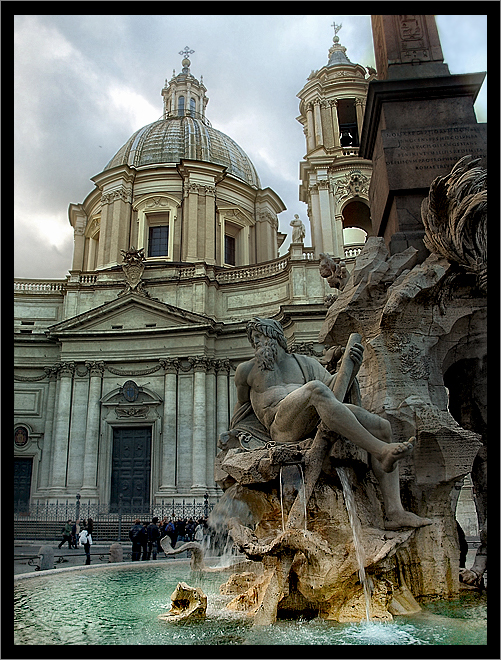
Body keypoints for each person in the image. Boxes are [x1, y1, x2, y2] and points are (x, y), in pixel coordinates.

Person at [233, 317, 432, 530]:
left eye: (260, 337)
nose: (257, 344)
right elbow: (243, 407)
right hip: (281, 426)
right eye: (254, 340)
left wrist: (351, 368)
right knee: (315, 389)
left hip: (314, 415)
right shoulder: (246, 370)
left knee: (382, 426)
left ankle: (394, 512)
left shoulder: (304, 363)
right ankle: (381, 451)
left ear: (276, 337)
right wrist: (236, 435)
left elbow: (335, 391)